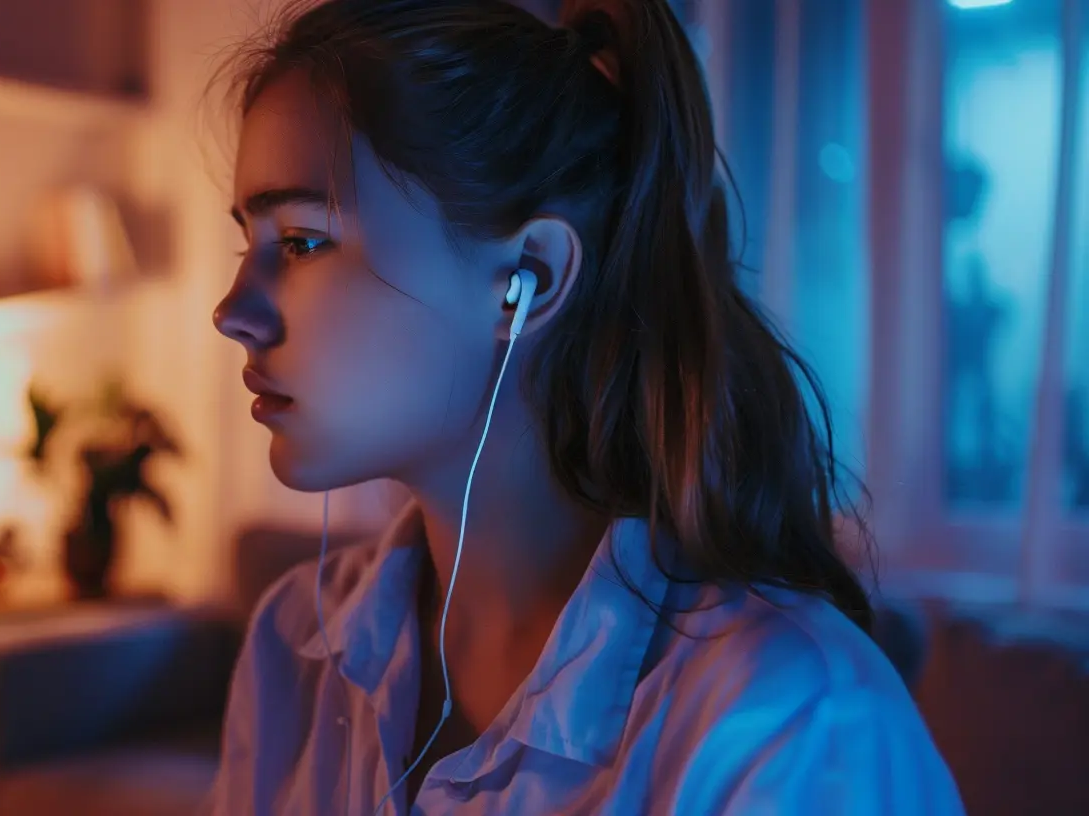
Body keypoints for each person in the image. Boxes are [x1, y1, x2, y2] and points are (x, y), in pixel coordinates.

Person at [208, 0, 964, 813]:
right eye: (247, 241)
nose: (231, 310)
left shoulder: (791, 725)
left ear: (524, 278)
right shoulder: (293, 647)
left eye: (301, 241)